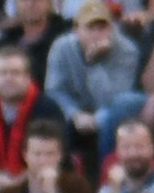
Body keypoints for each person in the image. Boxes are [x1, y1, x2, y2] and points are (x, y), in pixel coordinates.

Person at [42, 1, 141, 164]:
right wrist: (75, 114)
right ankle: (64, 170)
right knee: (52, 112)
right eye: (90, 28)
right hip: (75, 109)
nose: (97, 34)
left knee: (125, 105)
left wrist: (93, 64)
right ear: (76, 30)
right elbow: (54, 90)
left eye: (102, 28)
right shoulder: (61, 47)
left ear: (111, 28)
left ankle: (105, 169)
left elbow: (114, 99)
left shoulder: (127, 50)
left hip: (109, 111)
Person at [0, 44, 64, 193]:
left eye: (15, 73)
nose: (9, 79)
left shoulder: (47, 109)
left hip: (38, 183)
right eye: (2, 73)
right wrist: (4, 182)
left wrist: (14, 184)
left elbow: (53, 162)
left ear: (28, 78)